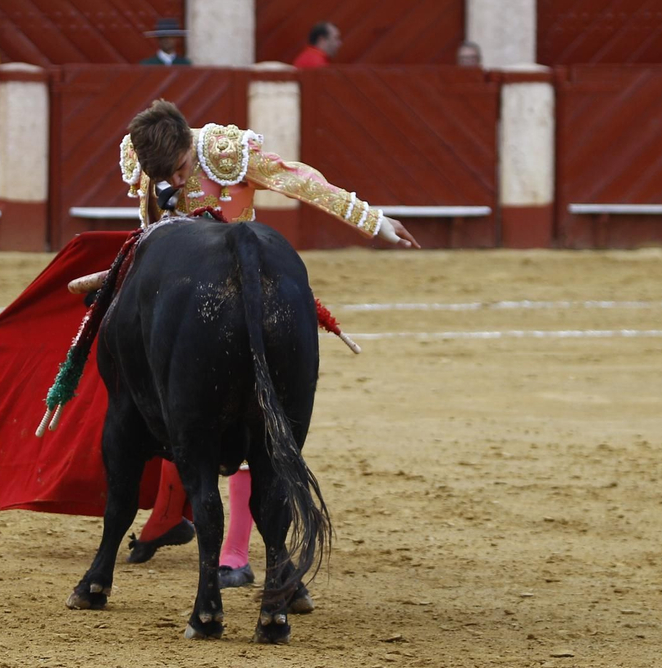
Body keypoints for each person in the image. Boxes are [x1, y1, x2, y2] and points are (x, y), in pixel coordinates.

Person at [92, 102, 418, 585]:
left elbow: (300, 180)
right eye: (165, 176)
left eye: (181, 170)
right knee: (161, 400)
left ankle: (235, 552)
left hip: (241, 291)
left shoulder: (225, 153)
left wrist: (374, 221)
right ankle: (166, 517)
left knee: (251, 425)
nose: (176, 183)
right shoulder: (141, 156)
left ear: (190, 146)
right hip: (175, 295)